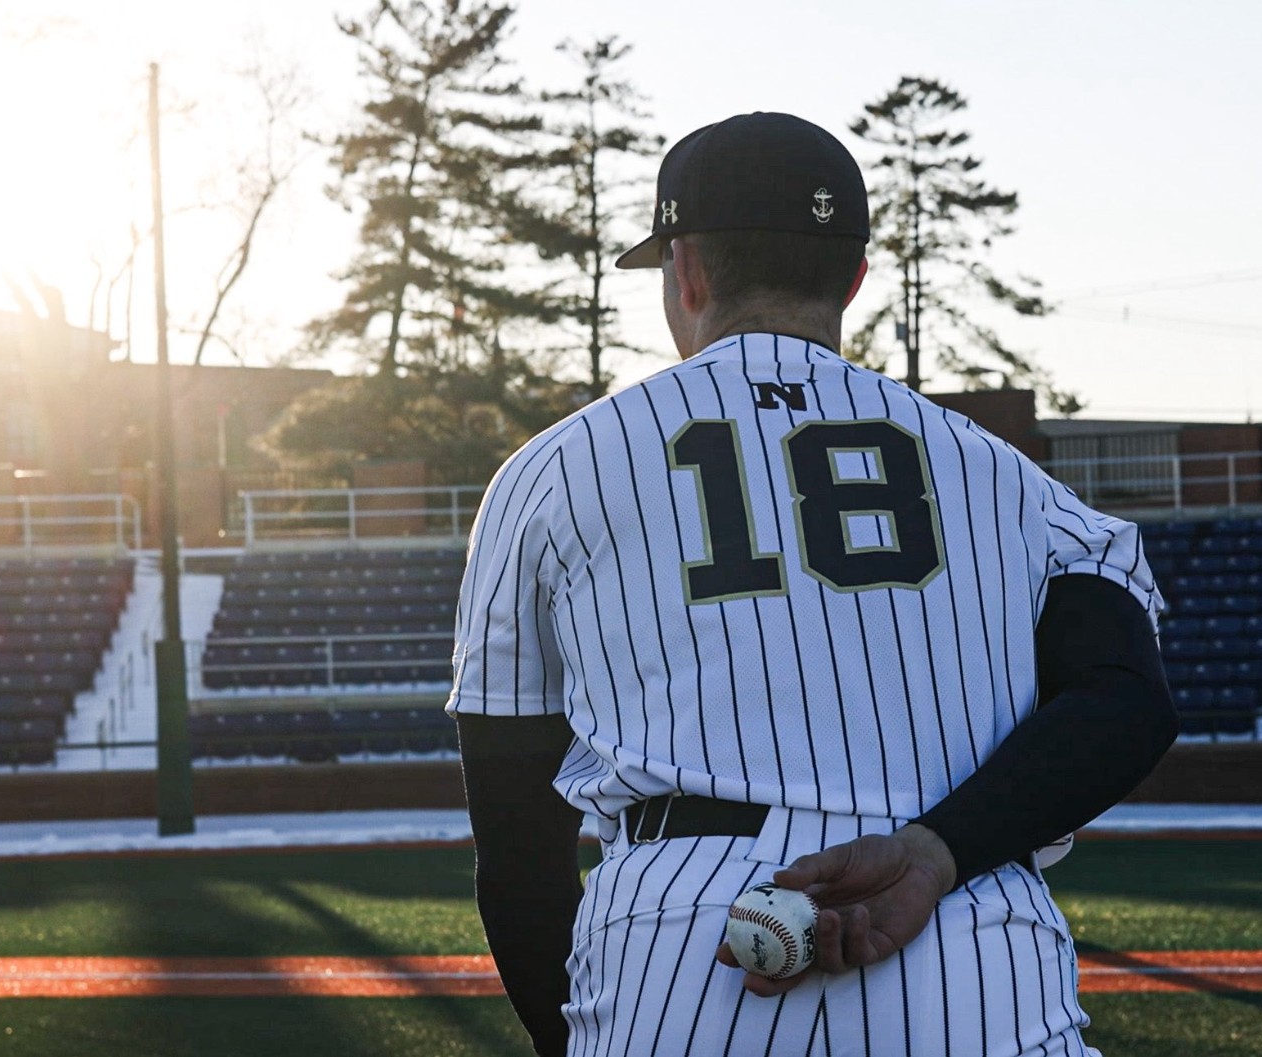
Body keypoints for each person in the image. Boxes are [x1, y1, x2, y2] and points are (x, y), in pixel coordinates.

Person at [450, 111, 1177, 1057]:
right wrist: (936, 851)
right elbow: (1127, 702)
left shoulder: (551, 470)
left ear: (687, 271)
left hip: (682, 933)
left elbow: (516, 846)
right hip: (967, 928)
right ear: (855, 278)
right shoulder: (1013, 480)